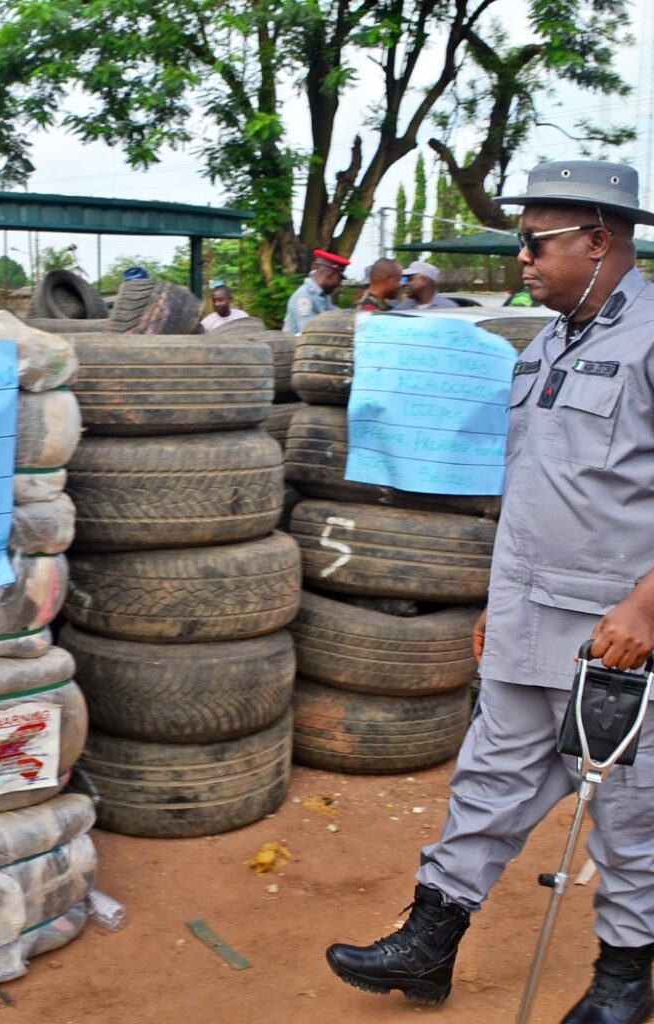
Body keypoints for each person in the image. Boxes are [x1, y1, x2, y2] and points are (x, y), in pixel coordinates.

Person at [325, 159, 654, 1024]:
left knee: (631, 814)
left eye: (536, 241)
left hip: (623, 635)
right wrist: (495, 599)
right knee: (488, 779)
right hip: (526, 615)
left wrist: (648, 606)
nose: (523, 259)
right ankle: (429, 943)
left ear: (599, 238)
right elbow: (538, 488)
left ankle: (624, 981)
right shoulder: (545, 345)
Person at [284, 249, 350, 334]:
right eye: (340, 279)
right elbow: (310, 332)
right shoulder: (304, 297)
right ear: (330, 275)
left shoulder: (324, 295)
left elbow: (337, 314)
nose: (338, 285)